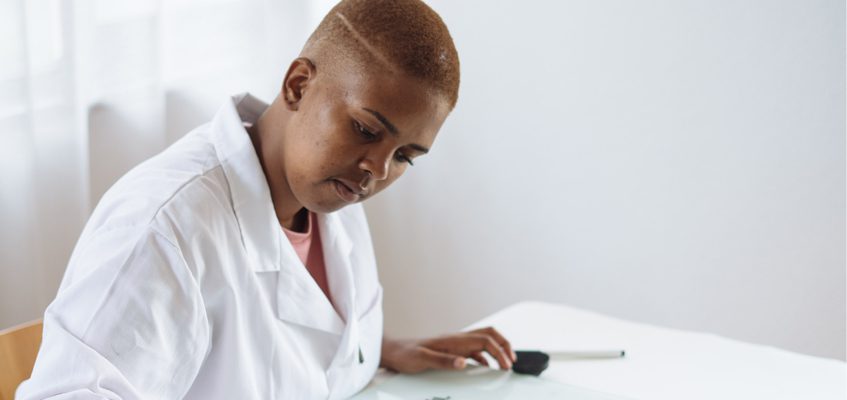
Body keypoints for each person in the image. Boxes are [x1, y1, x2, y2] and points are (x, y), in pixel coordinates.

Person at [17, 0, 516, 398]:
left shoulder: (331, 194)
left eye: (407, 155)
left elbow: (277, 349)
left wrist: (370, 351)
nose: (378, 171)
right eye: (365, 129)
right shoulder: (165, 227)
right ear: (298, 84)